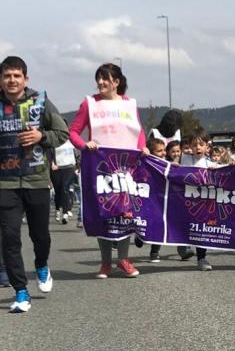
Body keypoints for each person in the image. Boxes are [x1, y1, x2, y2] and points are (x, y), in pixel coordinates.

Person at [0, 56, 69, 313]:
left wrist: (42, 136)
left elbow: (63, 134)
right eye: (7, 75)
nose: (12, 80)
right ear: (1, 79)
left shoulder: (41, 101)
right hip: (4, 184)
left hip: (37, 179)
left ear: (25, 79)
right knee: (9, 238)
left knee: (40, 236)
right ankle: (20, 291)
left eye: (16, 75)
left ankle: (41, 264)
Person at [69, 62, 146, 279]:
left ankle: (123, 259)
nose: (101, 82)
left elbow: (139, 131)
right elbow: (73, 132)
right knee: (104, 213)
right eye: (99, 78)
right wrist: (85, 145)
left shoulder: (130, 104)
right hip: (99, 167)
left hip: (126, 168)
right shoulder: (90, 104)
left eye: (106, 78)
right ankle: (105, 263)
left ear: (117, 82)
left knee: (125, 212)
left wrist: (143, 147)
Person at [180, 127, 217, 270]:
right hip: (184, 201)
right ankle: (181, 246)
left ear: (207, 146)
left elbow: (223, 171)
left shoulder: (209, 164)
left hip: (201, 204)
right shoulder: (184, 158)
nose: (198, 148)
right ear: (189, 146)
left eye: (201, 144)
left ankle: (201, 258)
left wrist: (229, 166)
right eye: (194, 145)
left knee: (202, 229)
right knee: (181, 226)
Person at [50, 136, 78, 225]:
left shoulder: (70, 140)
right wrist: (52, 163)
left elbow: (75, 154)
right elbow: (48, 153)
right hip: (56, 169)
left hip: (68, 167)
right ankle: (58, 209)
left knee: (64, 188)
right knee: (58, 190)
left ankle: (65, 213)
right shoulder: (53, 139)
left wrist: (77, 165)